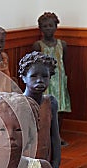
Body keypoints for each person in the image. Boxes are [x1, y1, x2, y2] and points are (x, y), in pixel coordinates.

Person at [32, 12, 71, 146]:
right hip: (44, 82)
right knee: (45, 109)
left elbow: (64, 62)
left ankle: (57, 136)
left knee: (60, 109)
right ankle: (45, 136)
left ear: (56, 27)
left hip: (59, 81)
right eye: (44, 26)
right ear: (40, 29)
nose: (48, 29)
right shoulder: (38, 45)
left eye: (51, 26)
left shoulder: (62, 45)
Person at [20, 51, 61, 168]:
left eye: (44, 76)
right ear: (24, 77)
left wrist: (56, 160)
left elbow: (54, 135)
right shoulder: (17, 103)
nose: (39, 81)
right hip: (22, 163)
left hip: (43, 160)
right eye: (34, 76)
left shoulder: (50, 103)